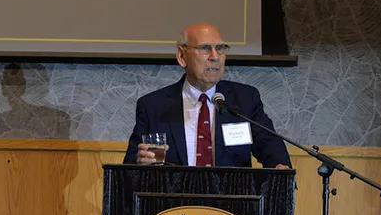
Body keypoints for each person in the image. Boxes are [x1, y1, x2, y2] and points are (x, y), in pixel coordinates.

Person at [124, 23, 291, 168]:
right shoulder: (153, 106)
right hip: (176, 202)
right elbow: (129, 167)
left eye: (220, 48)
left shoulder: (245, 99)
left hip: (231, 201)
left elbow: (269, 143)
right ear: (182, 56)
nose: (215, 56)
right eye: (205, 48)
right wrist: (140, 164)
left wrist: (280, 167)